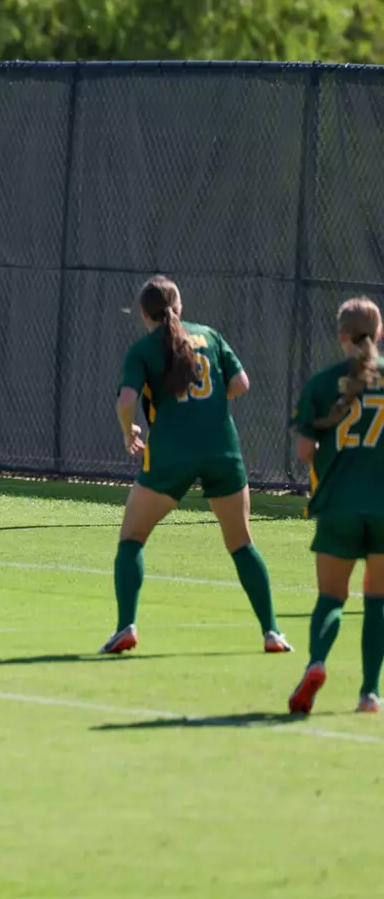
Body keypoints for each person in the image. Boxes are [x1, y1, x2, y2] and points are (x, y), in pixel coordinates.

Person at [102, 275, 291, 656]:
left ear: (143, 313)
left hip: (172, 452)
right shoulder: (210, 336)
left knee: (132, 538)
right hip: (222, 448)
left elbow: (125, 402)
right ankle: (271, 632)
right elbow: (241, 383)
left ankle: (126, 626)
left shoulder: (143, 349)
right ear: (180, 306)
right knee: (241, 543)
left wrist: (128, 432)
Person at [287, 298, 384, 715]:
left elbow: (306, 451)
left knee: (331, 597)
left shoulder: (325, 382)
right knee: (377, 600)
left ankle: (317, 663)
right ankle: (369, 694)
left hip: (339, 504)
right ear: (378, 333)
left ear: (341, 336)